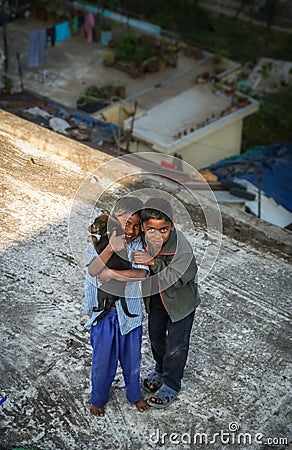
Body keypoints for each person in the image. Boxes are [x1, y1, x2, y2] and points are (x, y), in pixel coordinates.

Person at [83, 197, 149, 417]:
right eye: (124, 222)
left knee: (133, 360)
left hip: (129, 316)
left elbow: (141, 273)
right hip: (102, 315)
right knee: (102, 362)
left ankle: (134, 395)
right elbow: (93, 269)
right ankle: (98, 399)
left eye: (135, 224)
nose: (129, 229)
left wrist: (112, 274)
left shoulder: (140, 246)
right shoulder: (97, 242)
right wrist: (111, 248)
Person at [133, 198, 200, 409]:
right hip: (156, 299)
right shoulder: (141, 240)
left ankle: (171, 384)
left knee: (176, 346)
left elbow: (178, 278)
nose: (157, 235)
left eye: (164, 229)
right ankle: (161, 370)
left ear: (171, 225)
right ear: (143, 227)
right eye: (151, 229)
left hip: (180, 303)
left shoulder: (182, 248)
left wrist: (153, 262)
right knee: (155, 336)